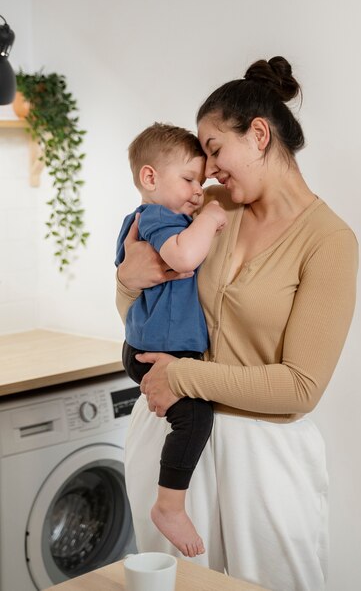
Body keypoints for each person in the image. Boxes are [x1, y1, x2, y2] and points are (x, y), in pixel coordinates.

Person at [116, 57, 358, 591]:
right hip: (170, 433)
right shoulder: (209, 208)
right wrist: (127, 281)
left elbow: (301, 385)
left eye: (215, 148)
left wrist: (184, 376)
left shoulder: (329, 241)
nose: (207, 168)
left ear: (260, 135)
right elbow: (143, 310)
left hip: (264, 454)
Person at [115, 123, 227, 557]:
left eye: (201, 182)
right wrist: (213, 218)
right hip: (157, 352)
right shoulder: (159, 218)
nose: (198, 191)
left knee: (192, 418)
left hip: (151, 347)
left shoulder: (159, 218)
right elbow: (181, 257)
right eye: (189, 180)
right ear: (150, 178)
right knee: (195, 418)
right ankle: (169, 506)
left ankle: (169, 504)